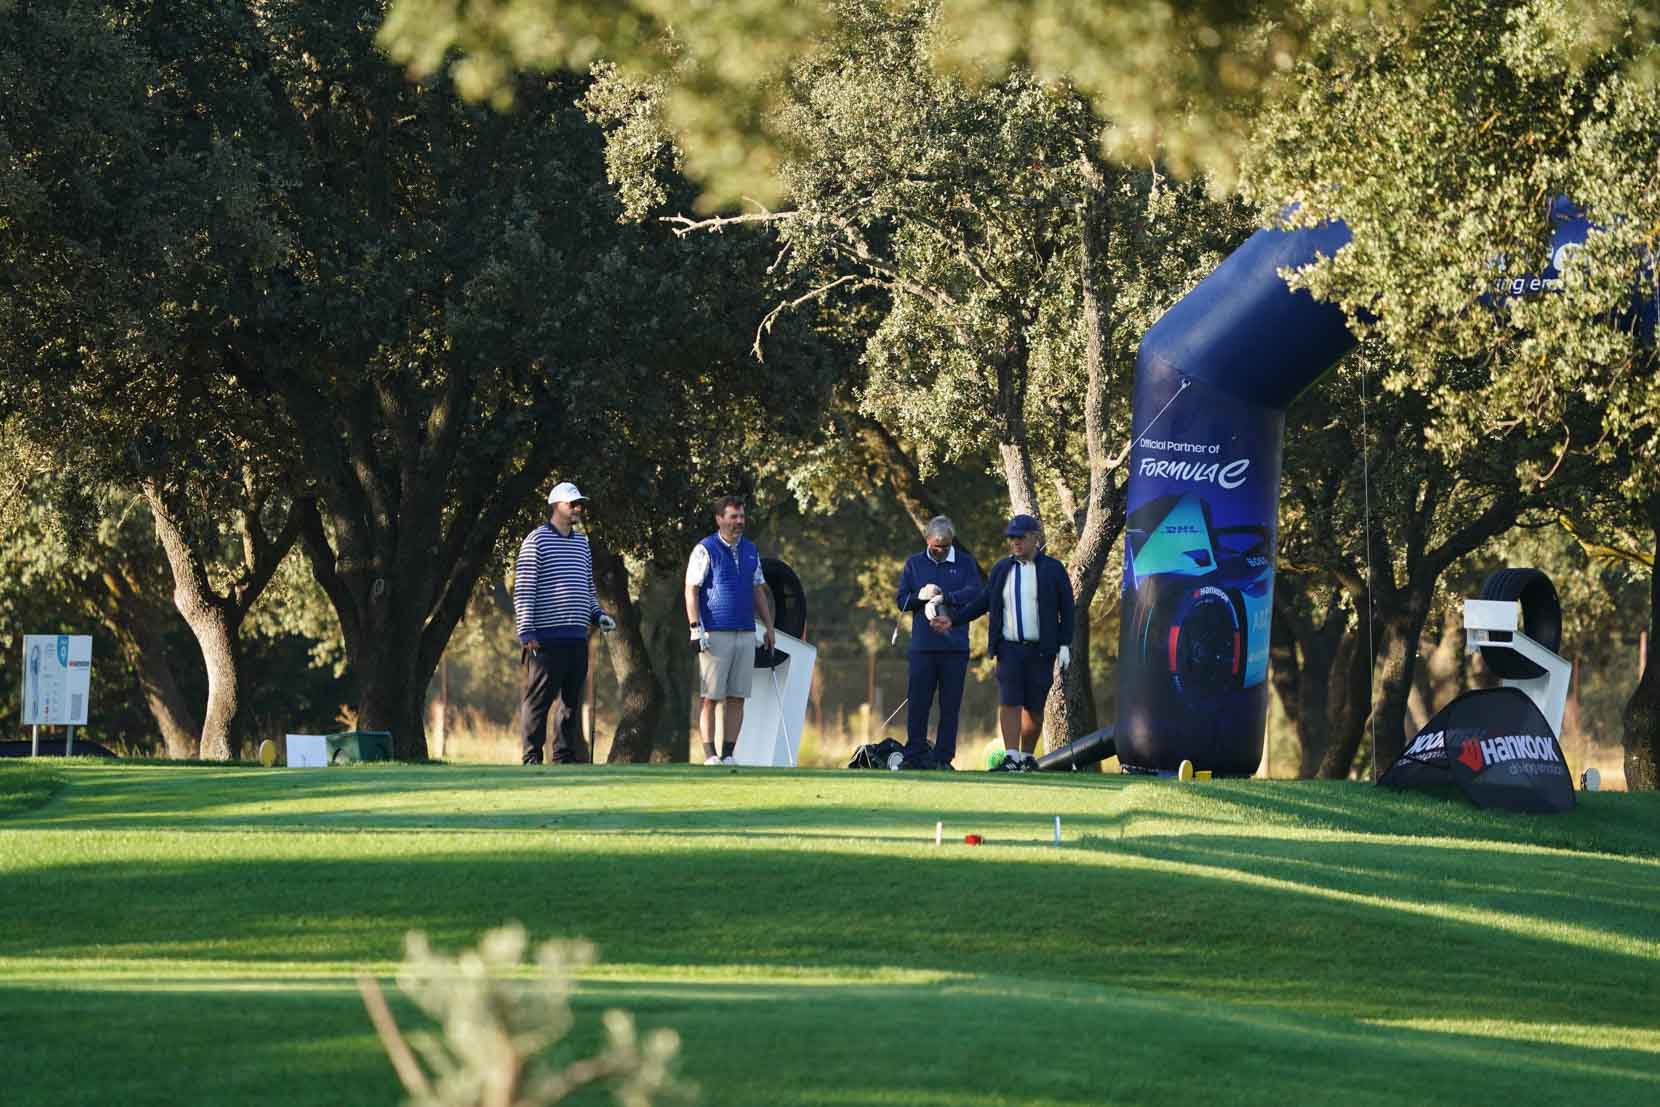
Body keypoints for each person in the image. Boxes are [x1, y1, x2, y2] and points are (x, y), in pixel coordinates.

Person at [932, 513, 1074, 772]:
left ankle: (1026, 757)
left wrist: (1065, 644)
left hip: (1042, 650)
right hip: (1008, 647)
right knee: (1009, 699)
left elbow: (1068, 609)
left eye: (1021, 538)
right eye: (1012, 538)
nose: (1016, 543)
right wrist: (953, 619)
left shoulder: (1053, 569)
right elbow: (983, 602)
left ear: (1035, 538)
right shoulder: (1001, 569)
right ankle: (1010, 756)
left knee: (1034, 705)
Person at [513, 481, 615, 765]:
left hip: (576, 635)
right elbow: (524, 588)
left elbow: (587, 587)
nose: (578, 509)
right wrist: (526, 630)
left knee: (571, 703)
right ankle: (531, 757)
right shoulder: (537, 540)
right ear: (556, 506)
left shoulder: (582, 542)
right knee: (539, 702)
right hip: (544, 636)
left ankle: (563, 757)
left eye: (579, 504)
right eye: (572, 504)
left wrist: (598, 614)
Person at [685, 494, 776, 765]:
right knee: (711, 696)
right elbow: (691, 589)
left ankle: (727, 754)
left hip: (745, 632)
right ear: (719, 519)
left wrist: (769, 627)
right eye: (733, 517)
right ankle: (709, 754)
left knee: (737, 696)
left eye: (741, 517)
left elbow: (757, 589)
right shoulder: (705, 549)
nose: (739, 522)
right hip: (715, 631)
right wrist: (694, 628)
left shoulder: (750, 549)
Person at [894, 516, 982, 770]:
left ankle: (943, 758)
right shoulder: (914, 564)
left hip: (954, 647)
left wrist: (947, 597)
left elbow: (975, 592)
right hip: (922, 647)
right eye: (936, 546)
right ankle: (914, 755)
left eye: (945, 546)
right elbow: (902, 600)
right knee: (918, 702)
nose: (941, 550)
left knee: (950, 705)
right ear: (927, 540)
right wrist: (919, 597)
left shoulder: (964, 563)